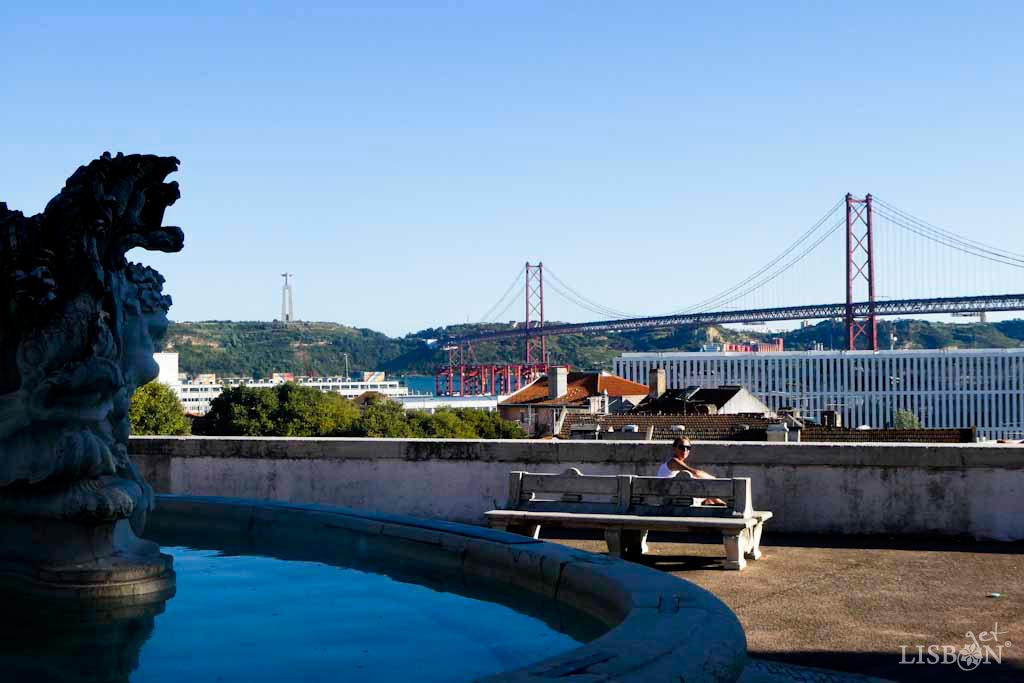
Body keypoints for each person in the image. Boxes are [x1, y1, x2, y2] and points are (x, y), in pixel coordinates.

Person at [657, 437, 726, 505]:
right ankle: (721, 504)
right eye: (681, 447)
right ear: (674, 448)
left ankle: (719, 503)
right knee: (704, 489)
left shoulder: (672, 462)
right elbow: (695, 473)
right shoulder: (674, 462)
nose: (685, 450)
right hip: (671, 499)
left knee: (708, 499)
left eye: (688, 448)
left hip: (673, 494)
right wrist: (713, 479)